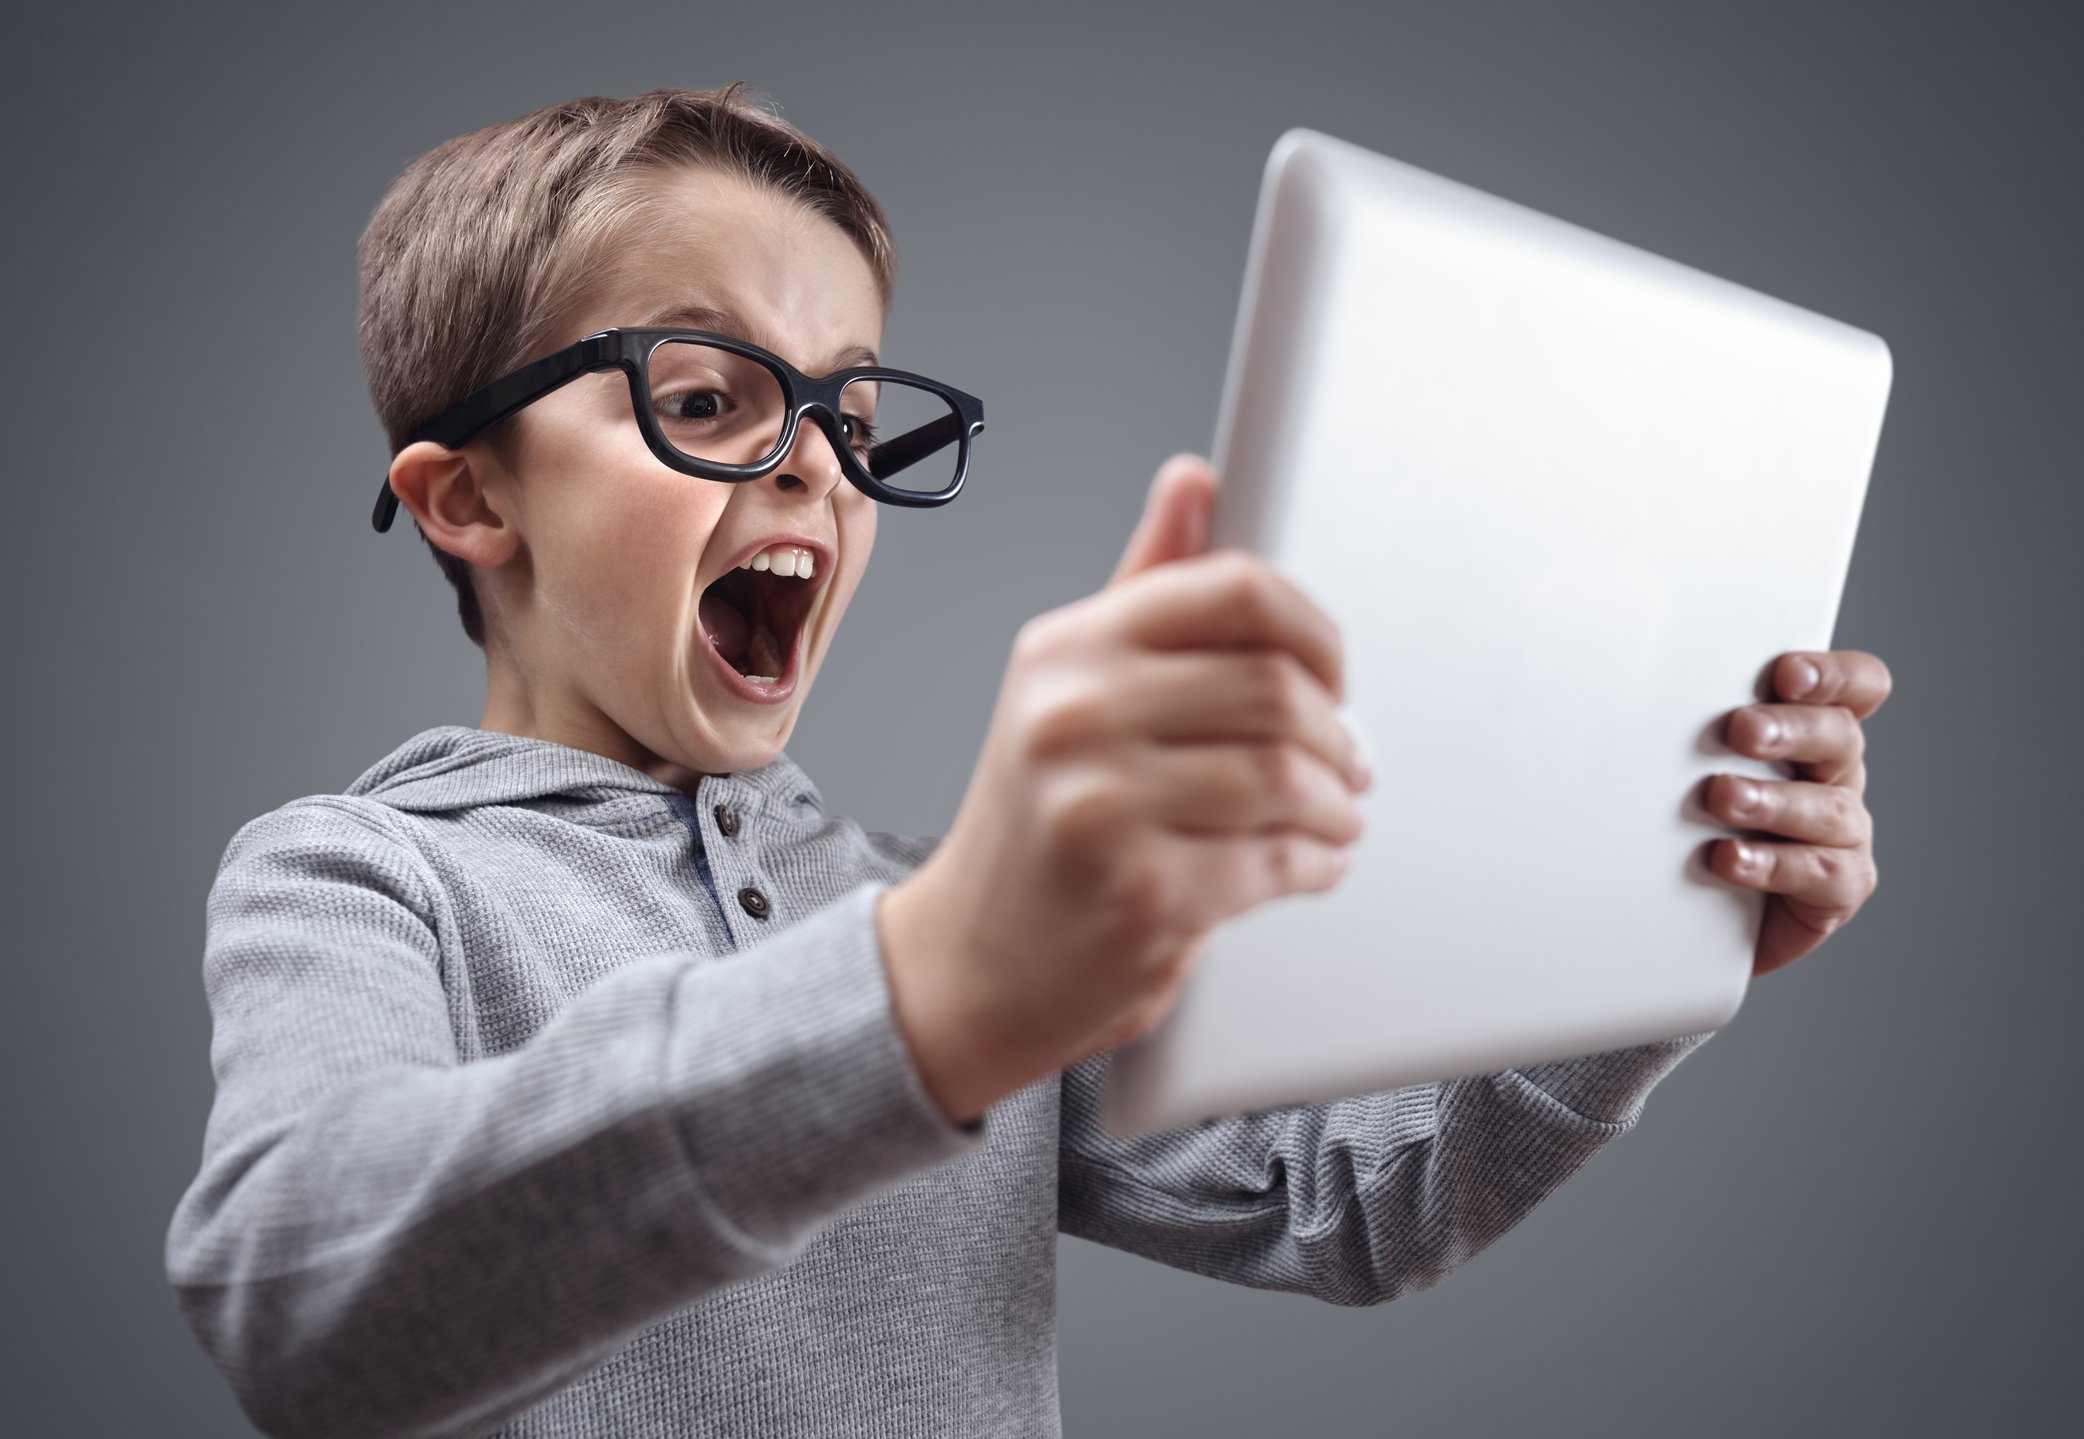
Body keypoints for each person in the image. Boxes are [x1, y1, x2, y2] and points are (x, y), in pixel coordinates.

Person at [163, 84, 1891, 1438]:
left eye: (850, 410)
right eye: (704, 399)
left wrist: (1657, 913)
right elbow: (302, 1302)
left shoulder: (929, 907)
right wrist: (927, 990)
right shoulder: (359, 878)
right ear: (467, 498)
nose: (819, 470)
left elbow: (1359, 1202)